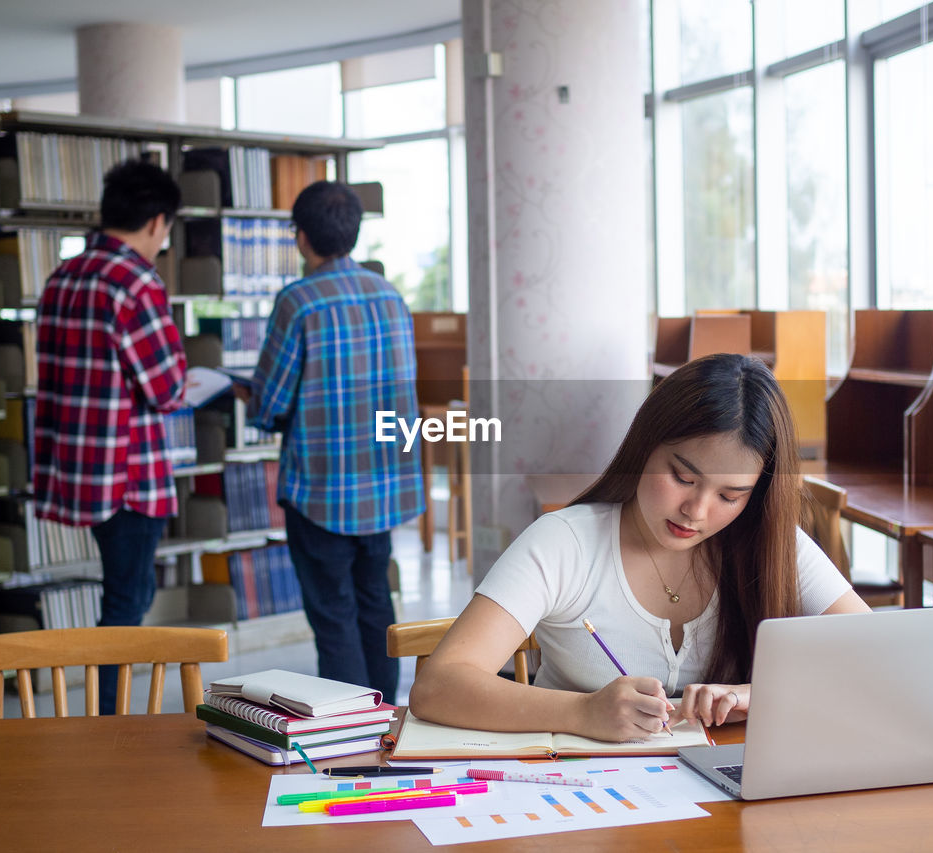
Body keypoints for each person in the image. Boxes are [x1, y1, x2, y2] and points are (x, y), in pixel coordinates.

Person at [410, 353, 870, 742]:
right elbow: (438, 686)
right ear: (645, 447)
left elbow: (876, 656)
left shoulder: (770, 544)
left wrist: (756, 693)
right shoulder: (564, 543)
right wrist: (582, 712)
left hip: (724, 803)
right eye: (683, 478)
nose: (696, 509)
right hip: (580, 799)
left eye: (730, 496)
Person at [240, 180, 423, 702]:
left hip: (321, 492)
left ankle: (347, 728)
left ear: (301, 237)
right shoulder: (391, 296)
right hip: (384, 485)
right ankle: (385, 719)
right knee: (376, 602)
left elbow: (270, 407)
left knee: (333, 614)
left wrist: (241, 393)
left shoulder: (299, 302)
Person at [32, 158, 187, 715]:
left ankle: (104, 710)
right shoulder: (136, 283)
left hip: (75, 468)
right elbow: (167, 389)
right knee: (127, 600)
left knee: (122, 593)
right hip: (127, 475)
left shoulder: (63, 276)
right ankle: (107, 720)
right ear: (156, 222)